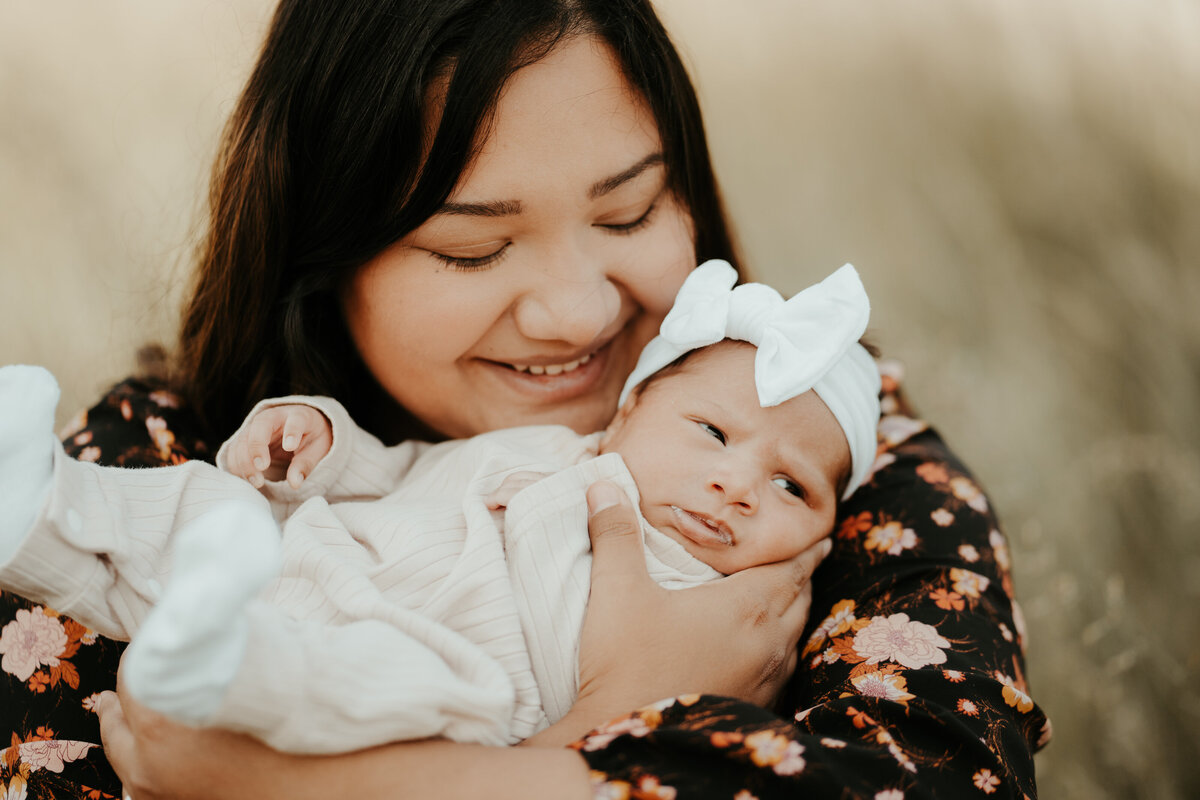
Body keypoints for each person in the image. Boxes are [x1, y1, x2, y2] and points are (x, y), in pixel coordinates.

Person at [0, 1, 1048, 798]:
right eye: (475, 247)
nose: (575, 309)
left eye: (630, 210)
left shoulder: (833, 459)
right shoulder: (167, 436)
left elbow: (937, 776)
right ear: (323, 257)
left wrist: (290, 787)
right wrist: (621, 738)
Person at [2, 261, 880, 754]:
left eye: (791, 486)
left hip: (448, 682)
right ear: (631, 411)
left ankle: (217, 661)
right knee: (196, 506)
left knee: (362, 683)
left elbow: (685, 729)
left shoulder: (723, 607)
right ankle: (35, 501)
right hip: (315, 554)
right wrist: (321, 445)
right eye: (712, 432)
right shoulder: (555, 451)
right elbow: (406, 469)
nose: (735, 486)